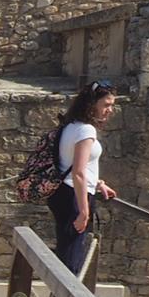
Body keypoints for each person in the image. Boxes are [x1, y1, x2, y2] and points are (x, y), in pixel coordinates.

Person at [50, 81, 119, 275]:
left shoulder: (70, 126)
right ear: (92, 104)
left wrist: (97, 183)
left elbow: (71, 163)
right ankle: (67, 295)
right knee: (72, 260)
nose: (110, 110)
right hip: (74, 196)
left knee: (68, 252)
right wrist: (83, 211)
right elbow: (78, 172)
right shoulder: (86, 130)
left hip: (63, 193)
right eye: (106, 105)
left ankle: (63, 294)